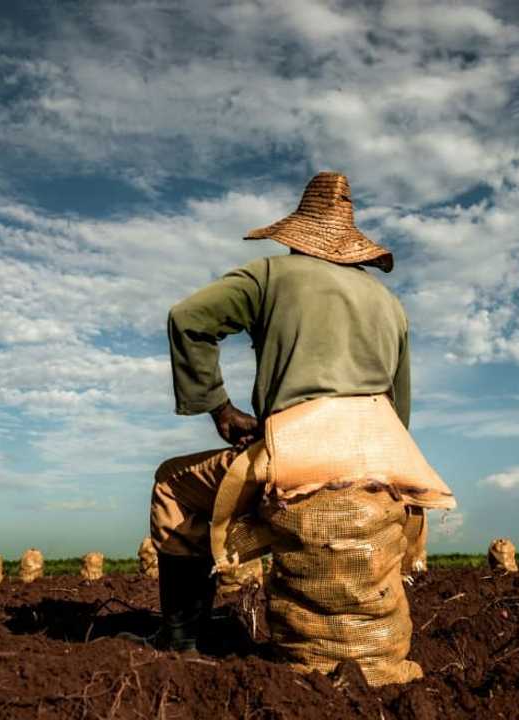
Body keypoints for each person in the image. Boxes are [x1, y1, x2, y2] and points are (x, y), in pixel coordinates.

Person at [148, 171, 426, 652]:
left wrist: (220, 408)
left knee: (172, 484)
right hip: (379, 459)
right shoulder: (390, 304)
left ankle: (181, 640)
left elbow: (187, 320)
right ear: (352, 247)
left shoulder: (270, 275)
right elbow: (398, 411)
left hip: (296, 456)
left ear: (297, 235)